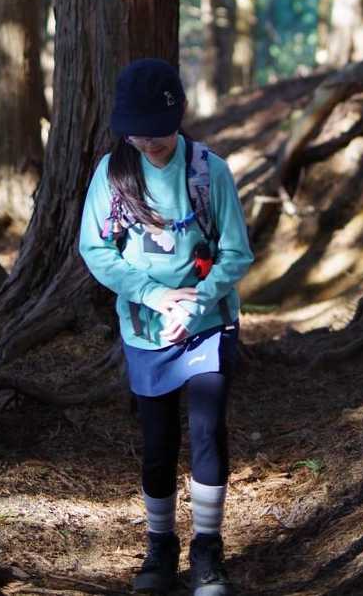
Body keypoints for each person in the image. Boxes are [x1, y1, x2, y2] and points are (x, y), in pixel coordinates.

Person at [79, 58, 254, 596]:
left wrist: (194, 305)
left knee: (207, 431)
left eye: (156, 131)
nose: (147, 142)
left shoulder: (208, 172)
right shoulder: (113, 174)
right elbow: (96, 250)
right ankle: (160, 546)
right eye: (137, 132)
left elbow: (236, 252)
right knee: (157, 442)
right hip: (145, 329)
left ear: (178, 117)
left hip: (208, 324)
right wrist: (155, 297)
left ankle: (208, 549)